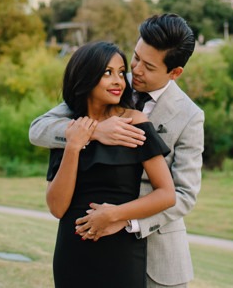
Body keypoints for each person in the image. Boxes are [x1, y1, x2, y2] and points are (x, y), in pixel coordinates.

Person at [31, 13, 204, 288]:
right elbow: (40, 128)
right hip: (84, 250)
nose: (135, 72)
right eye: (135, 57)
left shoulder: (189, 116)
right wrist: (94, 131)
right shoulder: (108, 81)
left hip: (159, 257)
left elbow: (183, 195)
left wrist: (123, 220)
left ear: (174, 72)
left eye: (148, 66)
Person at [45, 40, 176, 288]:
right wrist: (73, 146)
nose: (119, 80)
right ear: (85, 76)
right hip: (73, 252)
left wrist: (114, 215)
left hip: (121, 252)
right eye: (108, 73)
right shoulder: (68, 129)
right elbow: (57, 208)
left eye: (120, 72)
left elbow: (167, 194)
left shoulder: (134, 122)